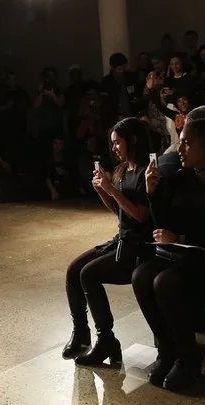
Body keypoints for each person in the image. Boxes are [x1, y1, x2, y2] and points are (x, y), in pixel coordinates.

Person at [133, 114, 205, 391]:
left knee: (165, 281)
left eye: (187, 143)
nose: (180, 149)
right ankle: (167, 350)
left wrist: (182, 237)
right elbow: (164, 224)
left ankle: (189, 357)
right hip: (182, 257)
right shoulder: (183, 178)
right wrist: (152, 193)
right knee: (140, 276)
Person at [62, 118, 154, 365]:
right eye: (112, 143)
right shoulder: (124, 170)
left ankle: (107, 340)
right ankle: (81, 334)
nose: (113, 148)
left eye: (117, 142)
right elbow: (120, 211)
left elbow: (141, 215)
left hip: (139, 247)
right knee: (74, 270)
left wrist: (112, 191)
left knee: (88, 274)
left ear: (132, 140)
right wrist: (103, 191)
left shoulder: (147, 171)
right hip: (122, 239)